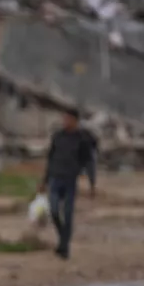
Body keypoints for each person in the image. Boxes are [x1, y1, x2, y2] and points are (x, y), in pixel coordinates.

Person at [39, 108, 96, 260]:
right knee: (54, 210)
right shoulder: (58, 137)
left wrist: (92, 183)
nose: (65, 122)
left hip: (70, 180)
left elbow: (89, 161)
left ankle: (64, 247)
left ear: (75, 121)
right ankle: (63, 238)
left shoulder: (82, 139)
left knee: (68, 213)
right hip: (55, 178)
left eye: (68, 119)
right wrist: (44, 181)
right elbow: (50, 159)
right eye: (64, 119)